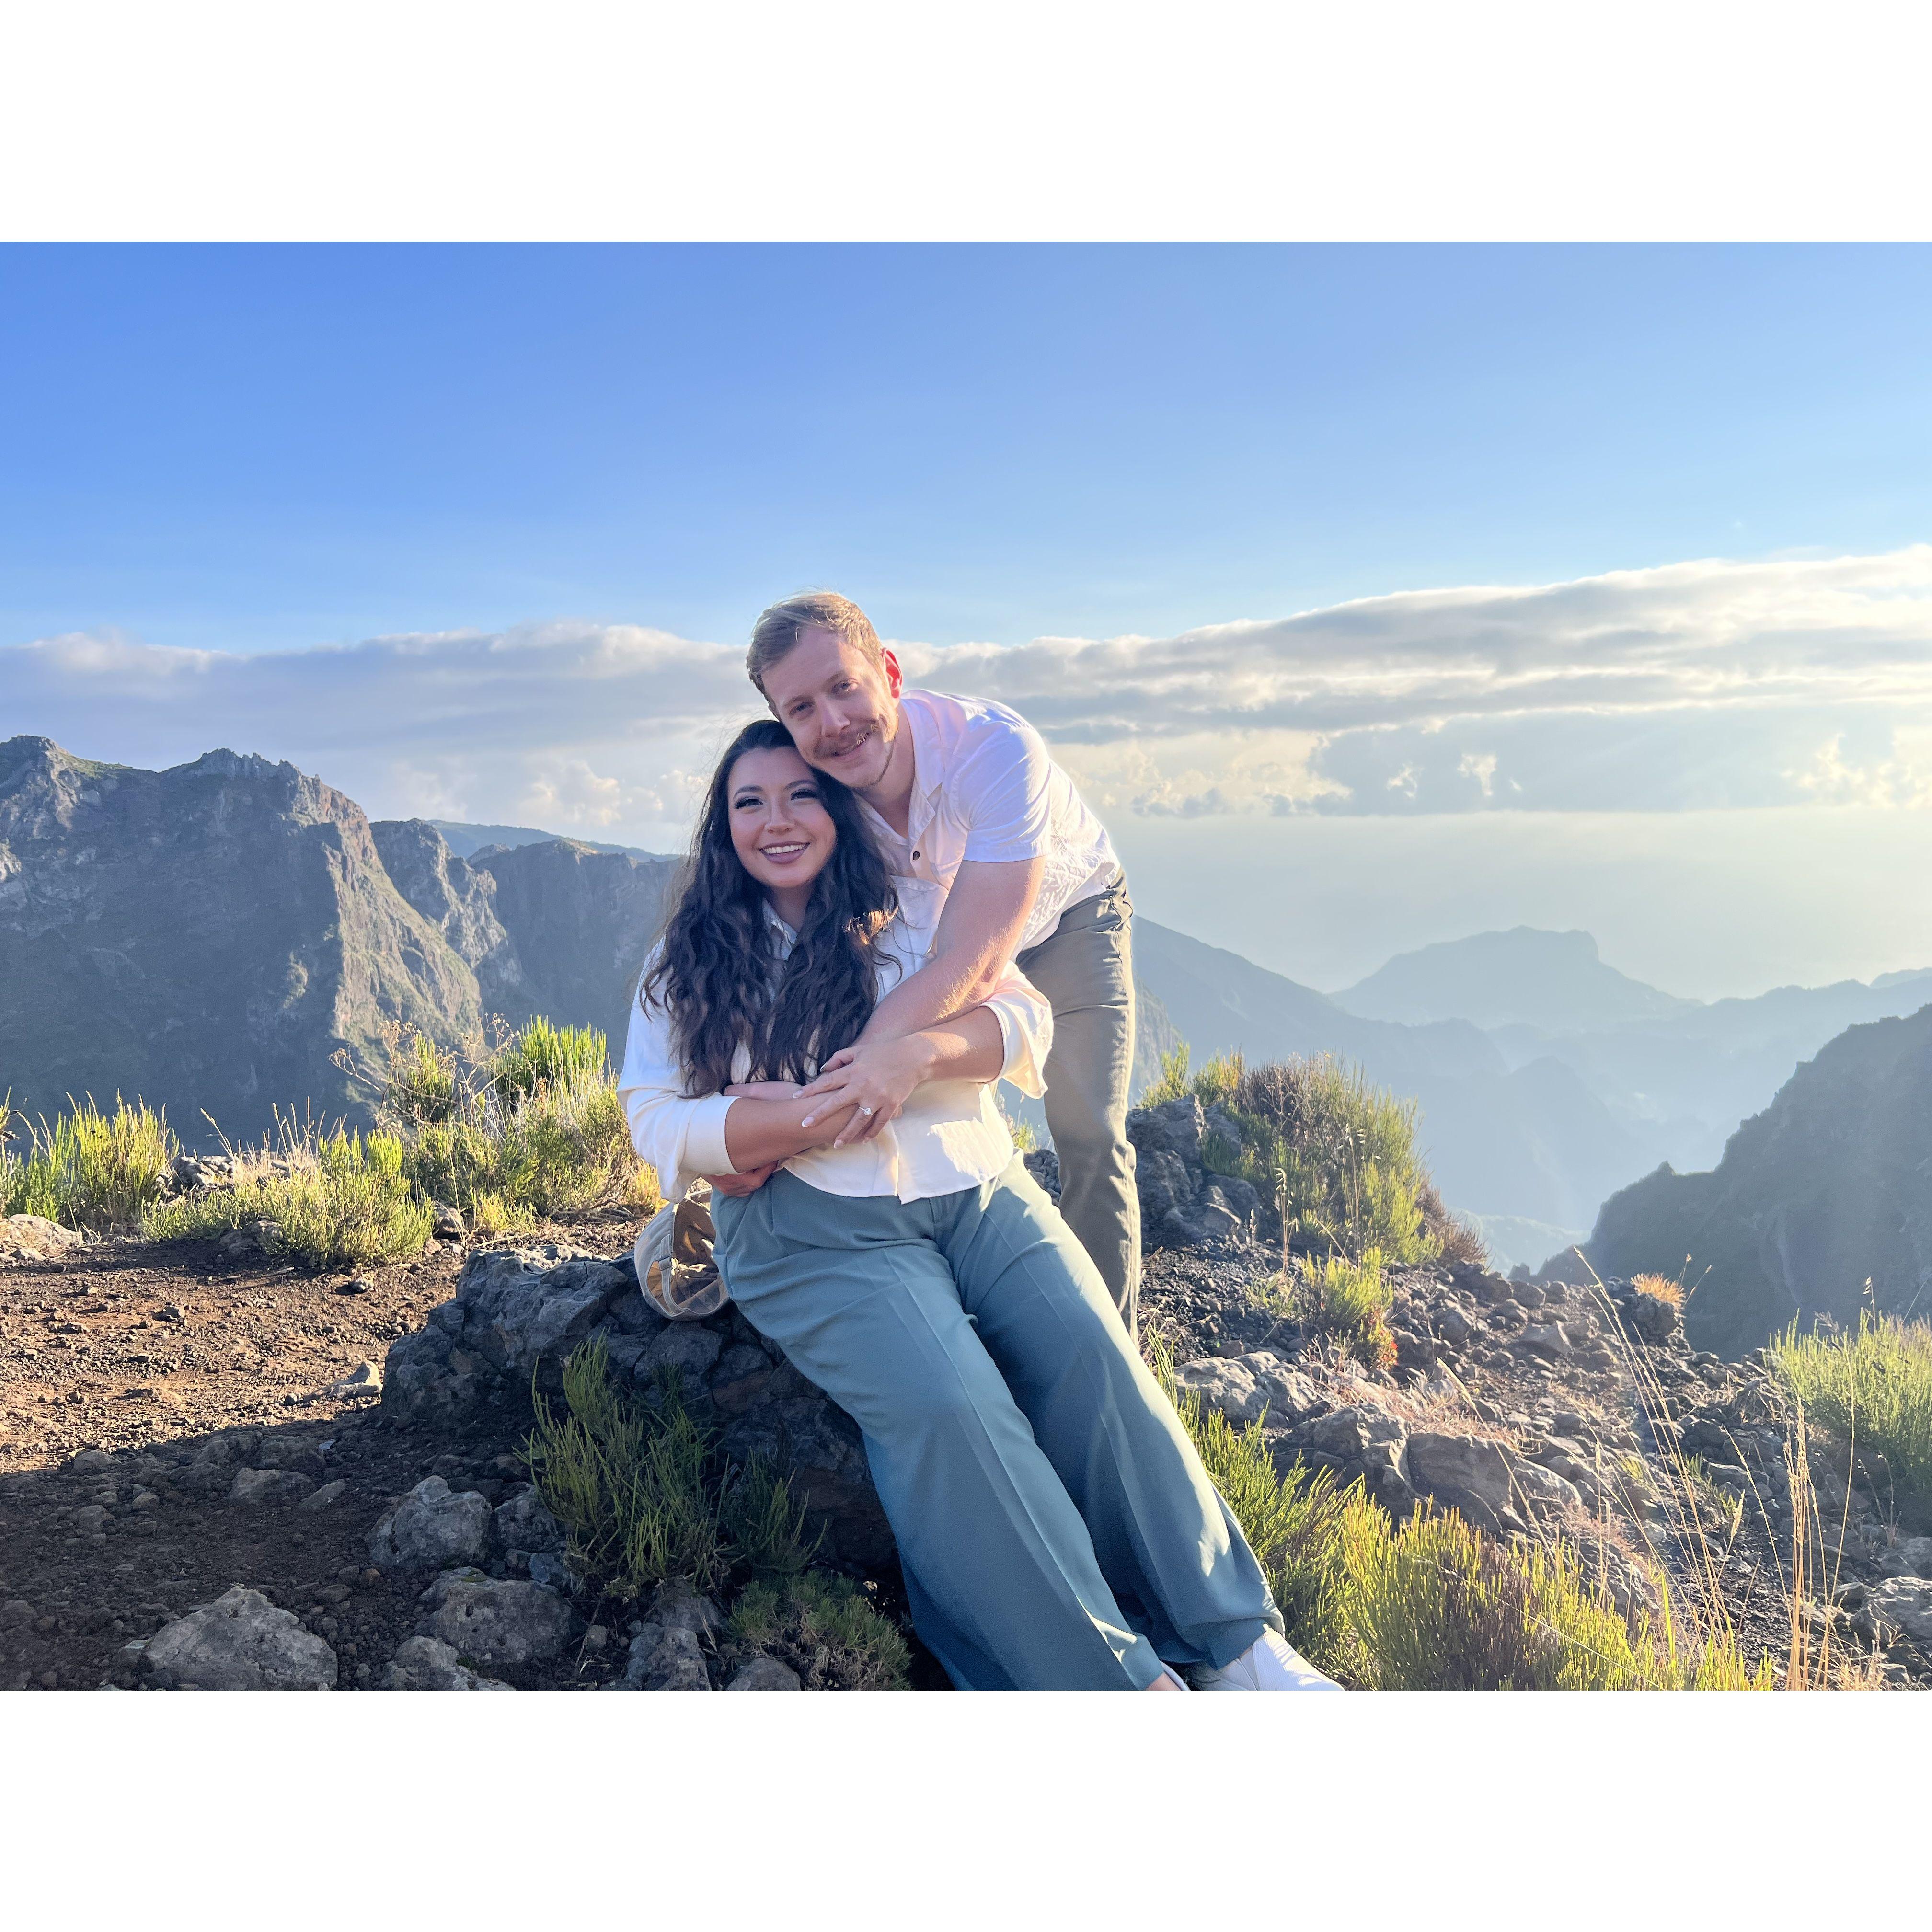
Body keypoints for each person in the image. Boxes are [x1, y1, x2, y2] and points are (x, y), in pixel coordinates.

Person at [619, 717, 1341, 1692]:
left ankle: (1237, 1644)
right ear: (724, 826)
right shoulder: (688, 962)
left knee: (1095, 1356)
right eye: (751, 802)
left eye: (801, 796)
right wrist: (780, 1124)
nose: (779, 820)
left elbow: (1023, 1020)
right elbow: (655, 1120)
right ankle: (1113, 1684)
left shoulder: (908, 910)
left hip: (977, 1184)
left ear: (836, 812)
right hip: (812, 1228)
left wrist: (913, 1055)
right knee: (951, 1406)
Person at [741, 590, 1144, 1338]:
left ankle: (1112, 1350)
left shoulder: (992, 750)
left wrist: (845, 1083)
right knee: (941, 1120)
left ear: (888, 671)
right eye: (801, 709)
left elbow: (980, 955)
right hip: (922, 936)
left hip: (1066, 918)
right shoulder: (814, 794)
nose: (832, 724)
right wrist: (743, 1119)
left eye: (843, 686)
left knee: (1087, 1127)